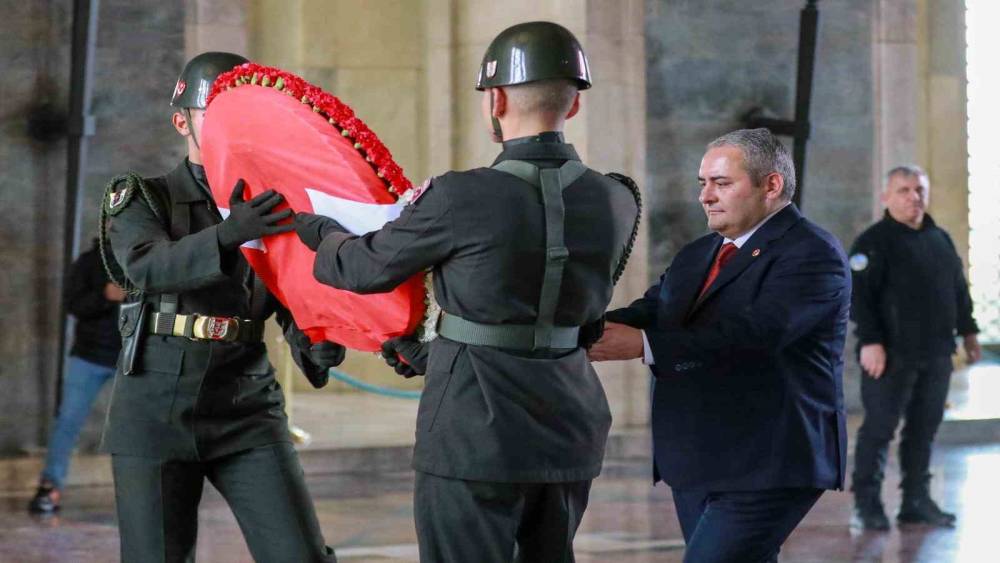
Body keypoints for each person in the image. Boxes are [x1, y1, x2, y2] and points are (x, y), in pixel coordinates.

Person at [293, 21, 641, 563]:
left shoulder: (461, 195)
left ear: (496, 100)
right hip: (570, 428)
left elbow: (361, 269)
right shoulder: (617, 198)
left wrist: (320, 231)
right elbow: (571, 323)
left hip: (474, 433)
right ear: (573, 104)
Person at [102, 51, 344, 562]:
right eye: (217, 113)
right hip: (155, 407)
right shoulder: (145, 197)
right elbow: (146, 267)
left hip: (246, 404)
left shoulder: (274, 205)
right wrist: (229, 234)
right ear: (182, 122)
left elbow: (291, 293)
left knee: (300, 555)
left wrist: (315, 341)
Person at [589, 128, 850, 563]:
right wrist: (578, 327)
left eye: (721, 183)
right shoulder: (700, 252)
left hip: (769, 459)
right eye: (703, 183)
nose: (705, 196)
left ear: (771, 185)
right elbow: (654, 309)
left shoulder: (812, 252)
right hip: (698, 458)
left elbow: (757, 335)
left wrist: (645, 345)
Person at [848, 165, 980, 531]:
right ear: (886, 197)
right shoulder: (872, 243)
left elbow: (958, 290)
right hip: (890, 355)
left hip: (936, 353)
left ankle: (916, 501)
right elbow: (859, 298)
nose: (913, 197)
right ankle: (867, 504)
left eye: (919, 190)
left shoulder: (940, 239)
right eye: (903, 190)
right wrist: (871, 342)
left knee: (924, 429)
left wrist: (969, 332)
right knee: (879, 429)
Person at [28, 239, 124, 514]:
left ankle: (144, 495)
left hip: (132, 359)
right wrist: (105, 295)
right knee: (68, 421)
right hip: (89, 355)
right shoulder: (89, 261)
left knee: (137, 427)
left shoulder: (145, 257)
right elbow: (73, 304)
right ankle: (50, 486)